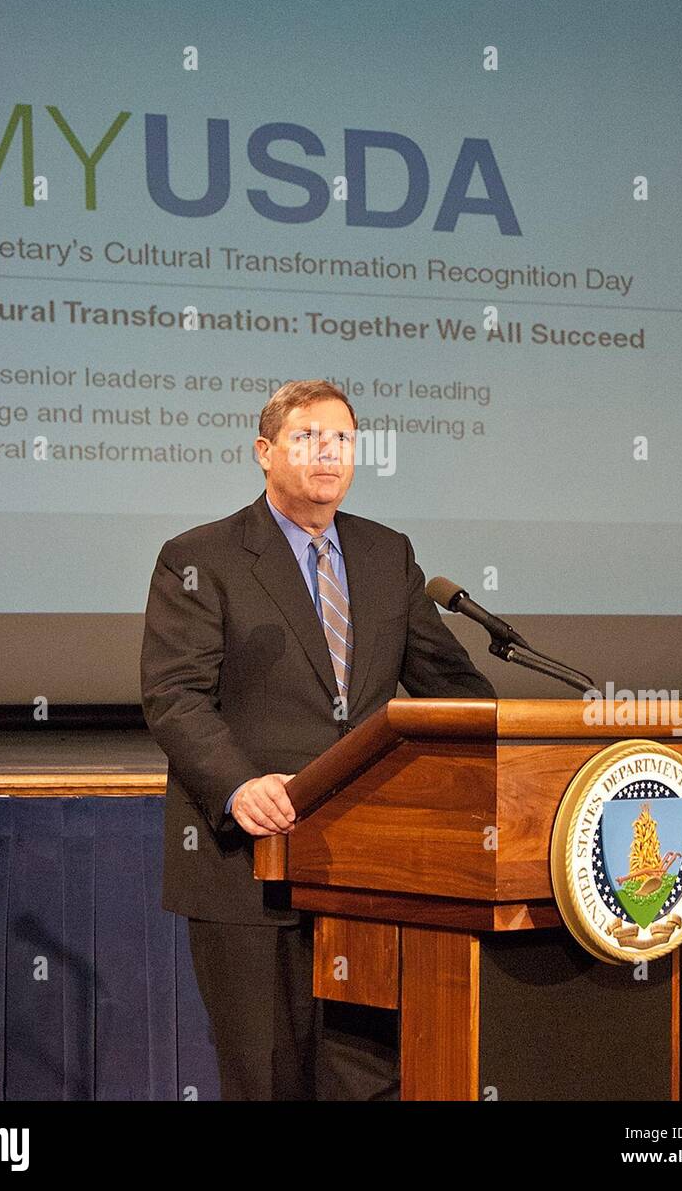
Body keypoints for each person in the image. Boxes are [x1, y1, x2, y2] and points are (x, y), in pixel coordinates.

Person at [140, 378, 495, 1100]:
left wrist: (507, 750)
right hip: (251, 865)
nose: (327, 451)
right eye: (307, 436)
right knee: (269, 1078)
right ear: (265, 452)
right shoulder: (201, 556)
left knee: (367, 1080)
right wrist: (239, 786)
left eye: (342, 438)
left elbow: (454, 692)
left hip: (371, 873)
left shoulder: (385, 554)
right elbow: (175, 696)